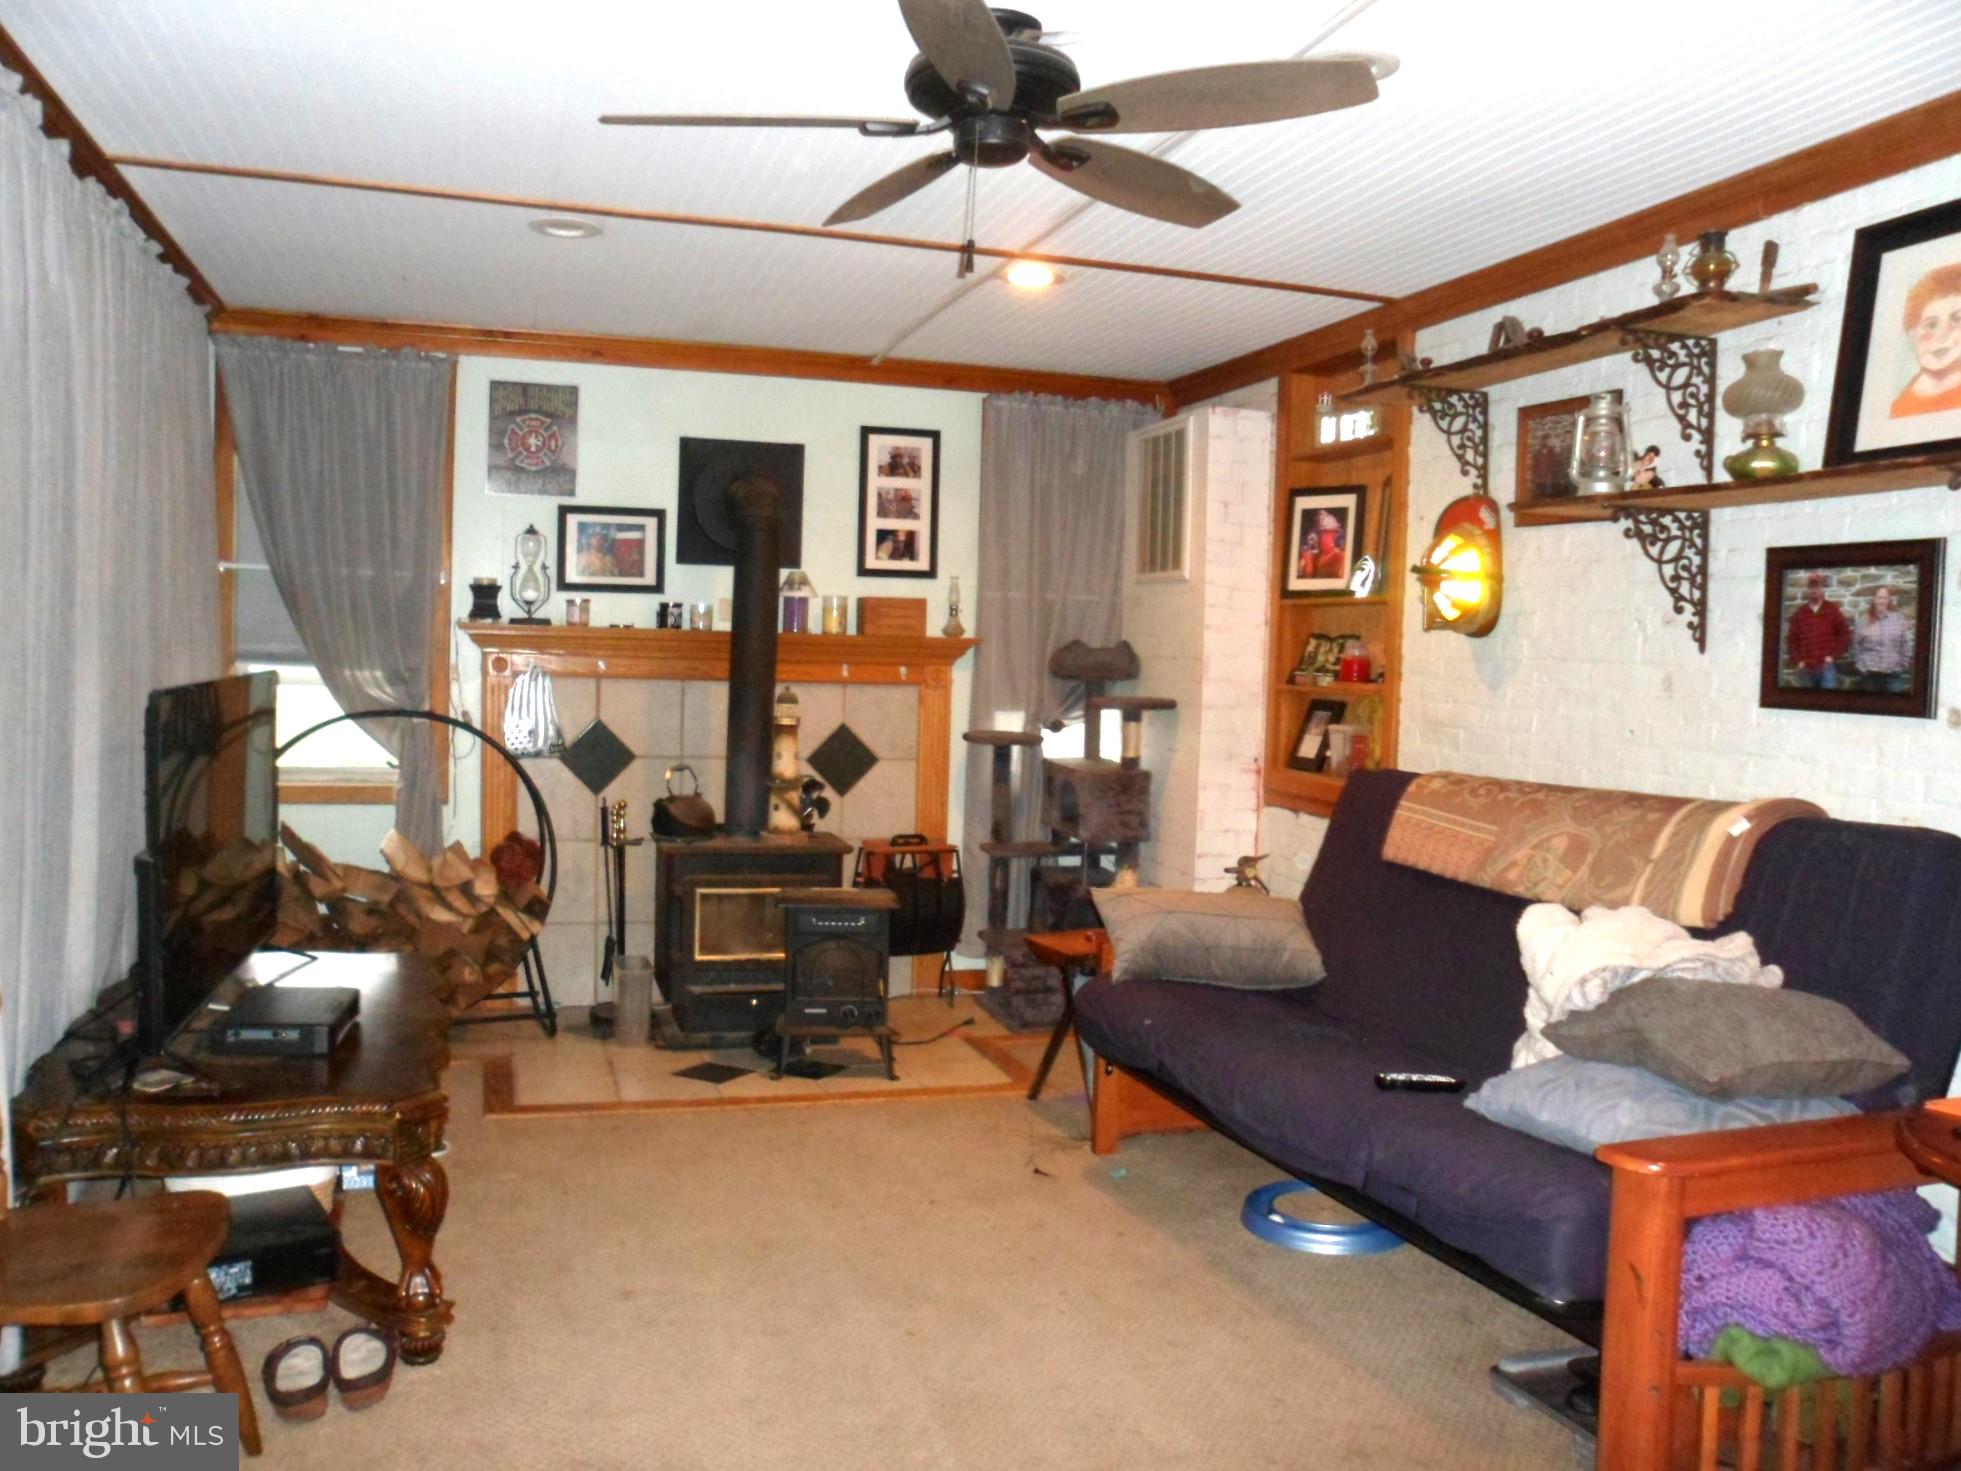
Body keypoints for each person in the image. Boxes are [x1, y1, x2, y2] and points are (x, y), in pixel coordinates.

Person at [1891, 262, 1961, 418]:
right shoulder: (1897, 406)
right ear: (1913, 331)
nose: (1942, 336)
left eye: (1957, 320)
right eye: (1931, 325)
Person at [1786, 573, 1850, 688]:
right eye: (1811, 587)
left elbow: (1844, 634)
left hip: (1826, 667)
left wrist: (1832, 656)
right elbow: (1792, 640)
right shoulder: (1800, 613)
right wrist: (1799, 660)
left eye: (1817, 586)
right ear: (1807, 589)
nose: (1814, 590)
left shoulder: (1832, 609)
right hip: (1806, 668)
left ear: (1822, 588)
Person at [1851, 583, 1913, 694]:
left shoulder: (1898, 619)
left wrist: (1903, 663)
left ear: (1889, 600)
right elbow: (1856, 645)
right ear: (1874, 599)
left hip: (1893, 675)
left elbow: (1906, 644)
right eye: (1879, 598)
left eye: (1885, 598)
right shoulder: (1863, 621)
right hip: (1869, 675)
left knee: (1895, 708)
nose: (1882, 601)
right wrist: (1860, 665)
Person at [1310, 509, 1347, 580]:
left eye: (1327, 534)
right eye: (1319, 534)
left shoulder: (1341, 558)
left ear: (1334, 535)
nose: (1322, 538)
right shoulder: (1312, 558)